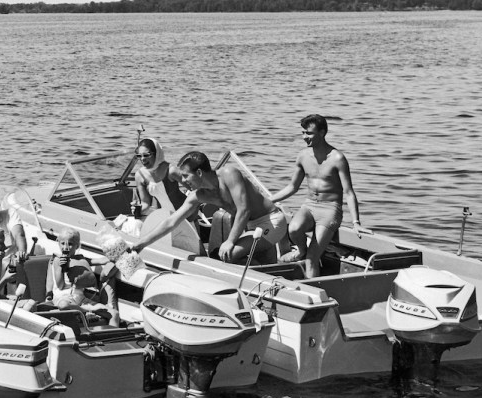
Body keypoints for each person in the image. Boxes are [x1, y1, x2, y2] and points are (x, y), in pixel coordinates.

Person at [128, 151, 287, 264]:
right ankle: (264, 260)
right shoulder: (199, 195)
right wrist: (141, 244)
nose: (183, 181)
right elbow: (171, 222)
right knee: (222, 256)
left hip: (271, 221)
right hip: (251, 228)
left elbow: (244, 210)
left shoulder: (229, 174)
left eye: (185, 176)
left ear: (198, 172)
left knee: (228, 255)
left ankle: (262, 267)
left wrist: (230, 241)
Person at [270, 113, 369, 278]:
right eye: (303, 133)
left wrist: (356, 222)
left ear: (322, 133)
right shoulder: (303, 156)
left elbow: (349, 192)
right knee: (293, 229)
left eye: (309, 133)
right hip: (309, 206)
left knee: (312, 258)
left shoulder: (337, 158)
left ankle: (313, 290)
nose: (304, 137)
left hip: (330, 210)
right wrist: (269, 200)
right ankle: (302, 250)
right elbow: (292, 187)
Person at [49, 228, 120, 326]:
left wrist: (122, 254)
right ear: (58, 242)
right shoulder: (57, 260)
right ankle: (85, 311)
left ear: (77, 246)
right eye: (62, 243)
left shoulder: (81, 260)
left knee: (114, 314)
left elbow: (102, 260)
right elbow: (60, 286)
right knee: (63, 305)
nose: (66, 247)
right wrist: (62, 267)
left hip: (81, 300)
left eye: (70, 244)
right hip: (63, 298)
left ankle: (113, 337)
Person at [133, 137, 186, 215]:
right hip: (164, 216)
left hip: (185, 215)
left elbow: (194, 189)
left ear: (157, 153)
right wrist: (137, 210)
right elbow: (145, 203)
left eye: (146, 155)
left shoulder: (171, 170)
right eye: (139, 156)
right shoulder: (140, 175)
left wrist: (192, 207)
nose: (142, 159)